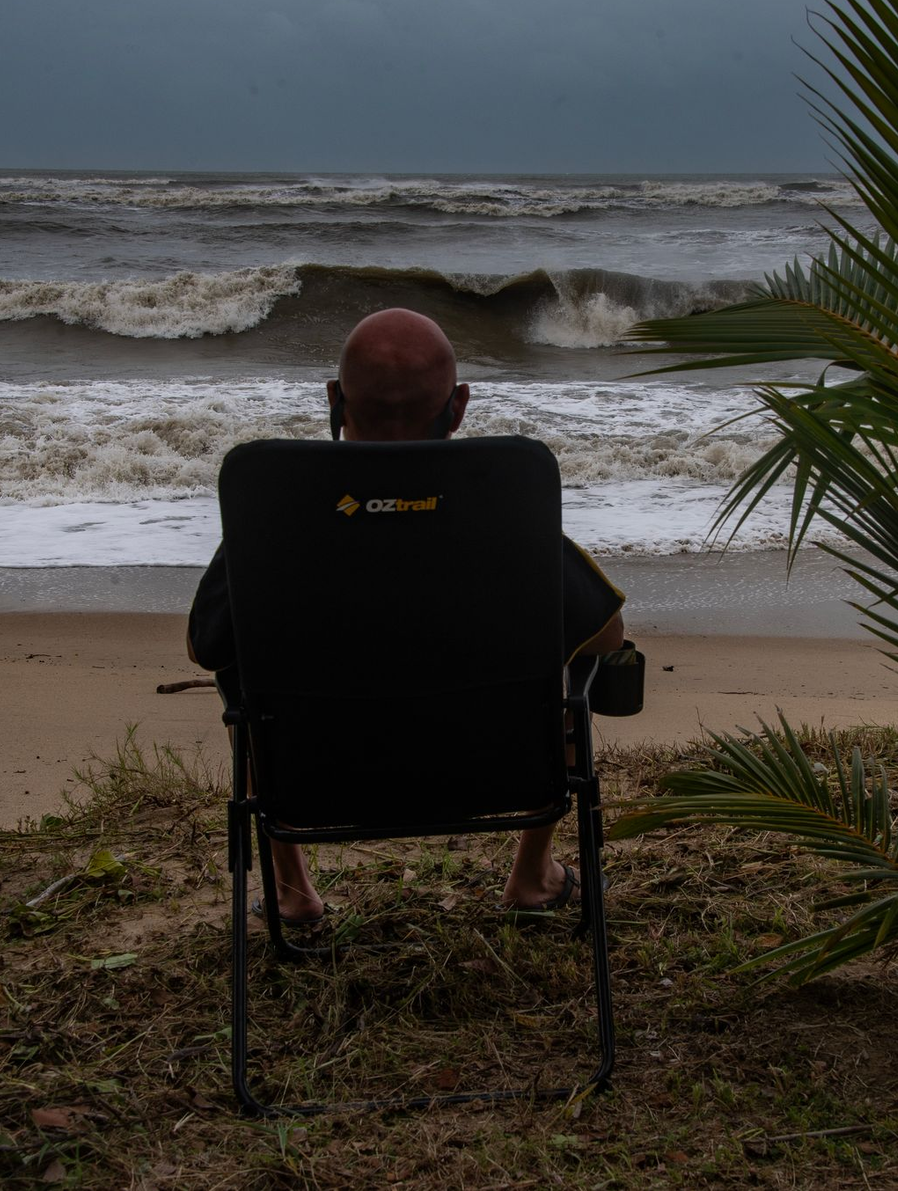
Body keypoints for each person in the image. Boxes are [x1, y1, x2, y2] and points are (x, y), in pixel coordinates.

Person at [187, 309, 625, 924]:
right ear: (460, 405)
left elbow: (207, 646)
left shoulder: (277, 510)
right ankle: (531, 875)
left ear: (336, 400)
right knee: (580, 656)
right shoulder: (503, 505)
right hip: (496, 774)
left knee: (240, 676)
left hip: (315, 777)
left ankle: (293, 891)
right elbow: (606, 632)